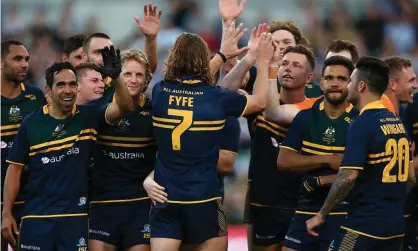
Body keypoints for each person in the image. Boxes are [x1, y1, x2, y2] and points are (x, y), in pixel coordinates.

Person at [149, 30, 273, 251]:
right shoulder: (217, 97)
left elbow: (192, 85)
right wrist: (261, 61)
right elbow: (261, 101)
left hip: (166, 200)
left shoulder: (160, 92)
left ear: (173, 58)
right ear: (202, 61)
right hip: (204, 200)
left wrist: (223, 56)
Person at [2, 46, 133, 251]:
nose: (68, 90)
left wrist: (117, 79)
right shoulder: (31, 123)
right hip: (37, 218)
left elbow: (125, 106)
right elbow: (14, 169)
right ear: (48, 90)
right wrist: (7, 214)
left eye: (72, 84)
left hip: (75, 219)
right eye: (61, 85)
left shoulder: (89, 116)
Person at [306, 56, 410, 251]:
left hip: (363, 226)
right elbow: (410, 177)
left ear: (361, 86)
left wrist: (321, 214)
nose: (347, 86)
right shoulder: (397, 123)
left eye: (351, 81)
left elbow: (348, 176)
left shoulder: (362, 123)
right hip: (395, 226)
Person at [278, 56, 358, 251]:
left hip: (345, 211)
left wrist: (321, 180)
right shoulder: (305, 117)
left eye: (341, 79)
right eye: (329, 78)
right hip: (306, 207)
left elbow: (360, 172)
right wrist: (328, 159)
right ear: (320, 83)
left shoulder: (359, 121)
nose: (335, 84)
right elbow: (284, 161)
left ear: (351, 84)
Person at [88, 49, 156, 251]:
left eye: (139, 75)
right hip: (103, 204)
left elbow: (168, 155)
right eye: (127, 74)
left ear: (146, 79)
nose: (133, 80)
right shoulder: (102, 105)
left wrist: (152, 176)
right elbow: (123, 105)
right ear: (117, 74)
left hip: (140, 206)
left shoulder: (155, 112)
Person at [0, 40, 46, 251]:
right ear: (1, 62)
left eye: (26, 59)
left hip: (29, 198)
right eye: (17, 59)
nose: (25, 64)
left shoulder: (35, 96)